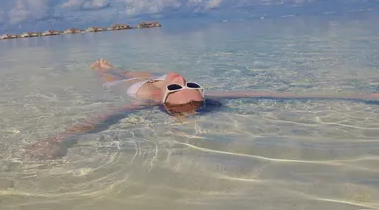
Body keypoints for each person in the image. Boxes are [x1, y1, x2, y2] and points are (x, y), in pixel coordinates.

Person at [25, 59, 379, 160]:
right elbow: (261, 93)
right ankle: (110, 64)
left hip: (123, 83)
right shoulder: (178, 87)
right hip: (152, 76)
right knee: (140, 69)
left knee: (119, 72)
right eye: (189, 85)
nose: (184, 81)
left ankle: (103, 67)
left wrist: (58, 140)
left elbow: (99, 121)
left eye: (180, 87)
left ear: (166, 97)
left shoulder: (143, 99)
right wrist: (360, 96)